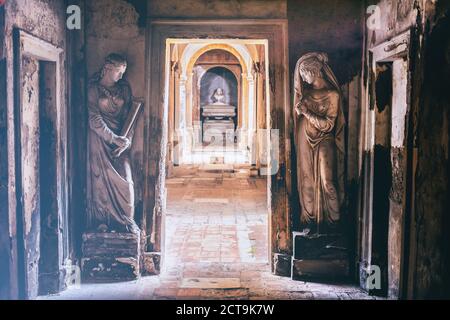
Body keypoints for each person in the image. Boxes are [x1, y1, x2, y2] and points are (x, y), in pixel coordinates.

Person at [86, 53, 139, 234]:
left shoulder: (123, 89)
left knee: (127, 182)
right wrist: (113, 138)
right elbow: (94, 119)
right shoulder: (93, 90)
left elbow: (129, 119)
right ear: (107, 68)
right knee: (99, 182)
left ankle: (126, 219)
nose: (121, 76)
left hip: (120, 143)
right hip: (100, 142)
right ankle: (102, 221)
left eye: (123, 72)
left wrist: (126, 140)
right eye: (118, 71)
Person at [293, 52, 345, 234]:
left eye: (304, 74)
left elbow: (329, 125)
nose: (303, 78)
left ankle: (334, 225)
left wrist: (306, 113)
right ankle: (310, 221)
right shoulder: (305, 94)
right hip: (304, 138)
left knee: (327, 181)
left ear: (314, 71)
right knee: (306, 180)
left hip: (325, 139)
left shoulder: (332, 95)